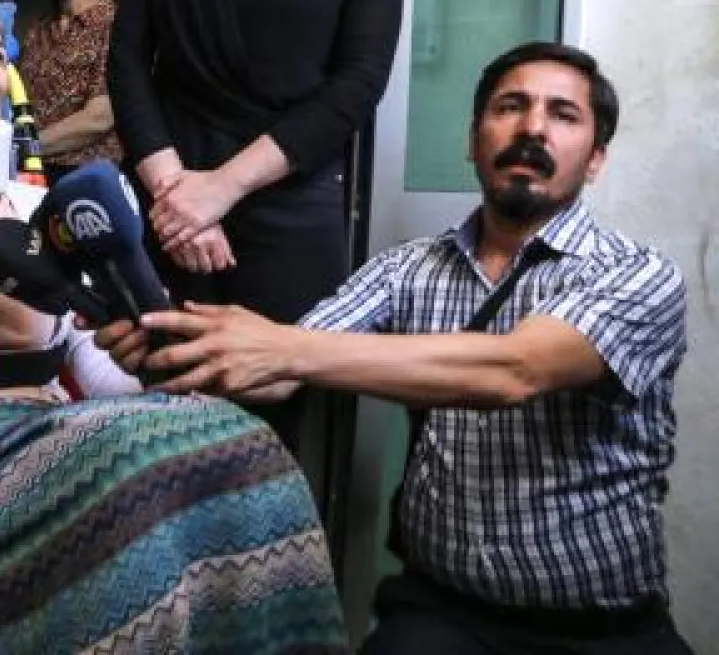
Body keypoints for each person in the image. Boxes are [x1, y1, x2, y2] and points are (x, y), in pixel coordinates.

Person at [0, 0, 347, 654]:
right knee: (120, 465)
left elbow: (94, 367)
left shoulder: (41, 205)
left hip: (47, 428)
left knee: (241, 439)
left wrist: (153, 381)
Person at [100, 43, 692, 654]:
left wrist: (280, 347)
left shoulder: (638, 276)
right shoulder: (407, 270)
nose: (532, 127)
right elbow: (279, 373)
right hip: (440, 616)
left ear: (595, 160)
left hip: (601, 633)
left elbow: (518, 368)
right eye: (510, 107)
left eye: (562, 115)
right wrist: (176, 350)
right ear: (472, 139)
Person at [106, 0, 410, 449]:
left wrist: (224, 187)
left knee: (267, 441)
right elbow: (127, 60)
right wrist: (176, 192)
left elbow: (357, 81)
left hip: (288, 212)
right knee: (158, 428)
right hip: (169, 205)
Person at [18, 0, 122, 181]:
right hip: (32, 172)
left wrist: (27, 146)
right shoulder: (36, 31)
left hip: (91, 180)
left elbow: (100, 118)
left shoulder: (115, 24)